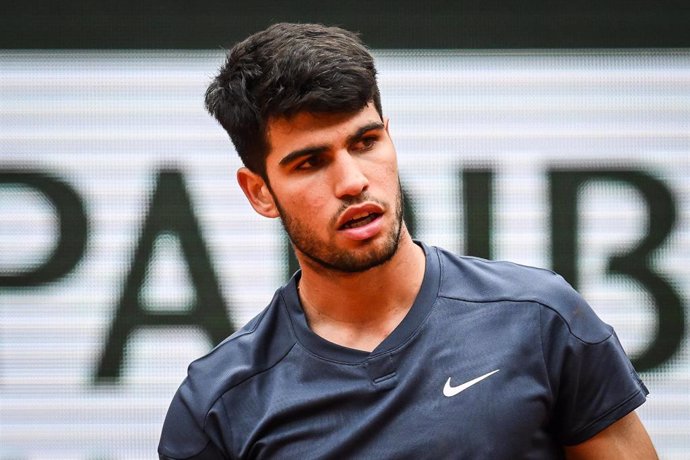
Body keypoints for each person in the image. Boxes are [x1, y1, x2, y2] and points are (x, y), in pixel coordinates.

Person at [158, 23, 657, 459]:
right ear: (259, 192)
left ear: (389, 137)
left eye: (365, 142)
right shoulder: (216, 406)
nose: (352, 181)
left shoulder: (541, 318)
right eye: (310, 162)